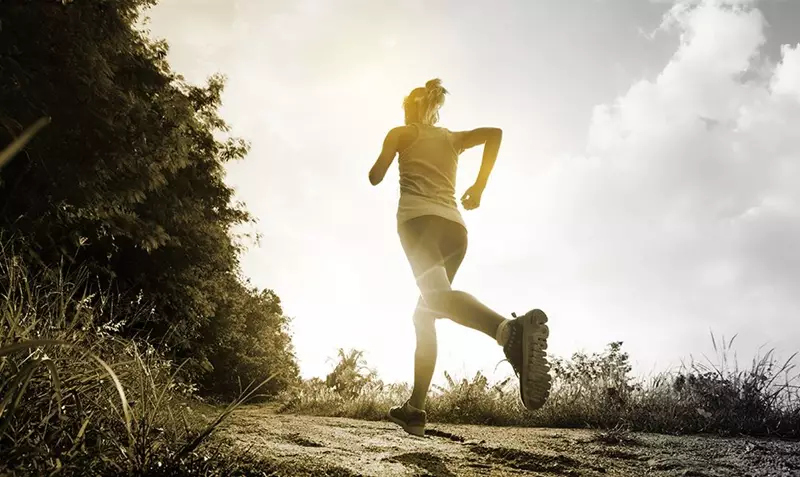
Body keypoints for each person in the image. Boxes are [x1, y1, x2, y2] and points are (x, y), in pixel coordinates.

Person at [369, 78, 551, 437]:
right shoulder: (451, 138)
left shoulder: (400, 133)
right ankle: (415, 409)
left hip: (418, 224)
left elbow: (375, 176)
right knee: (426, 313)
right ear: (434, 109)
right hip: (455, 229)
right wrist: (479, 187)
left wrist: (391, 149)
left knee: (435, 300)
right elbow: (494, 134)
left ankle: (507, 331)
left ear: (408, 109)